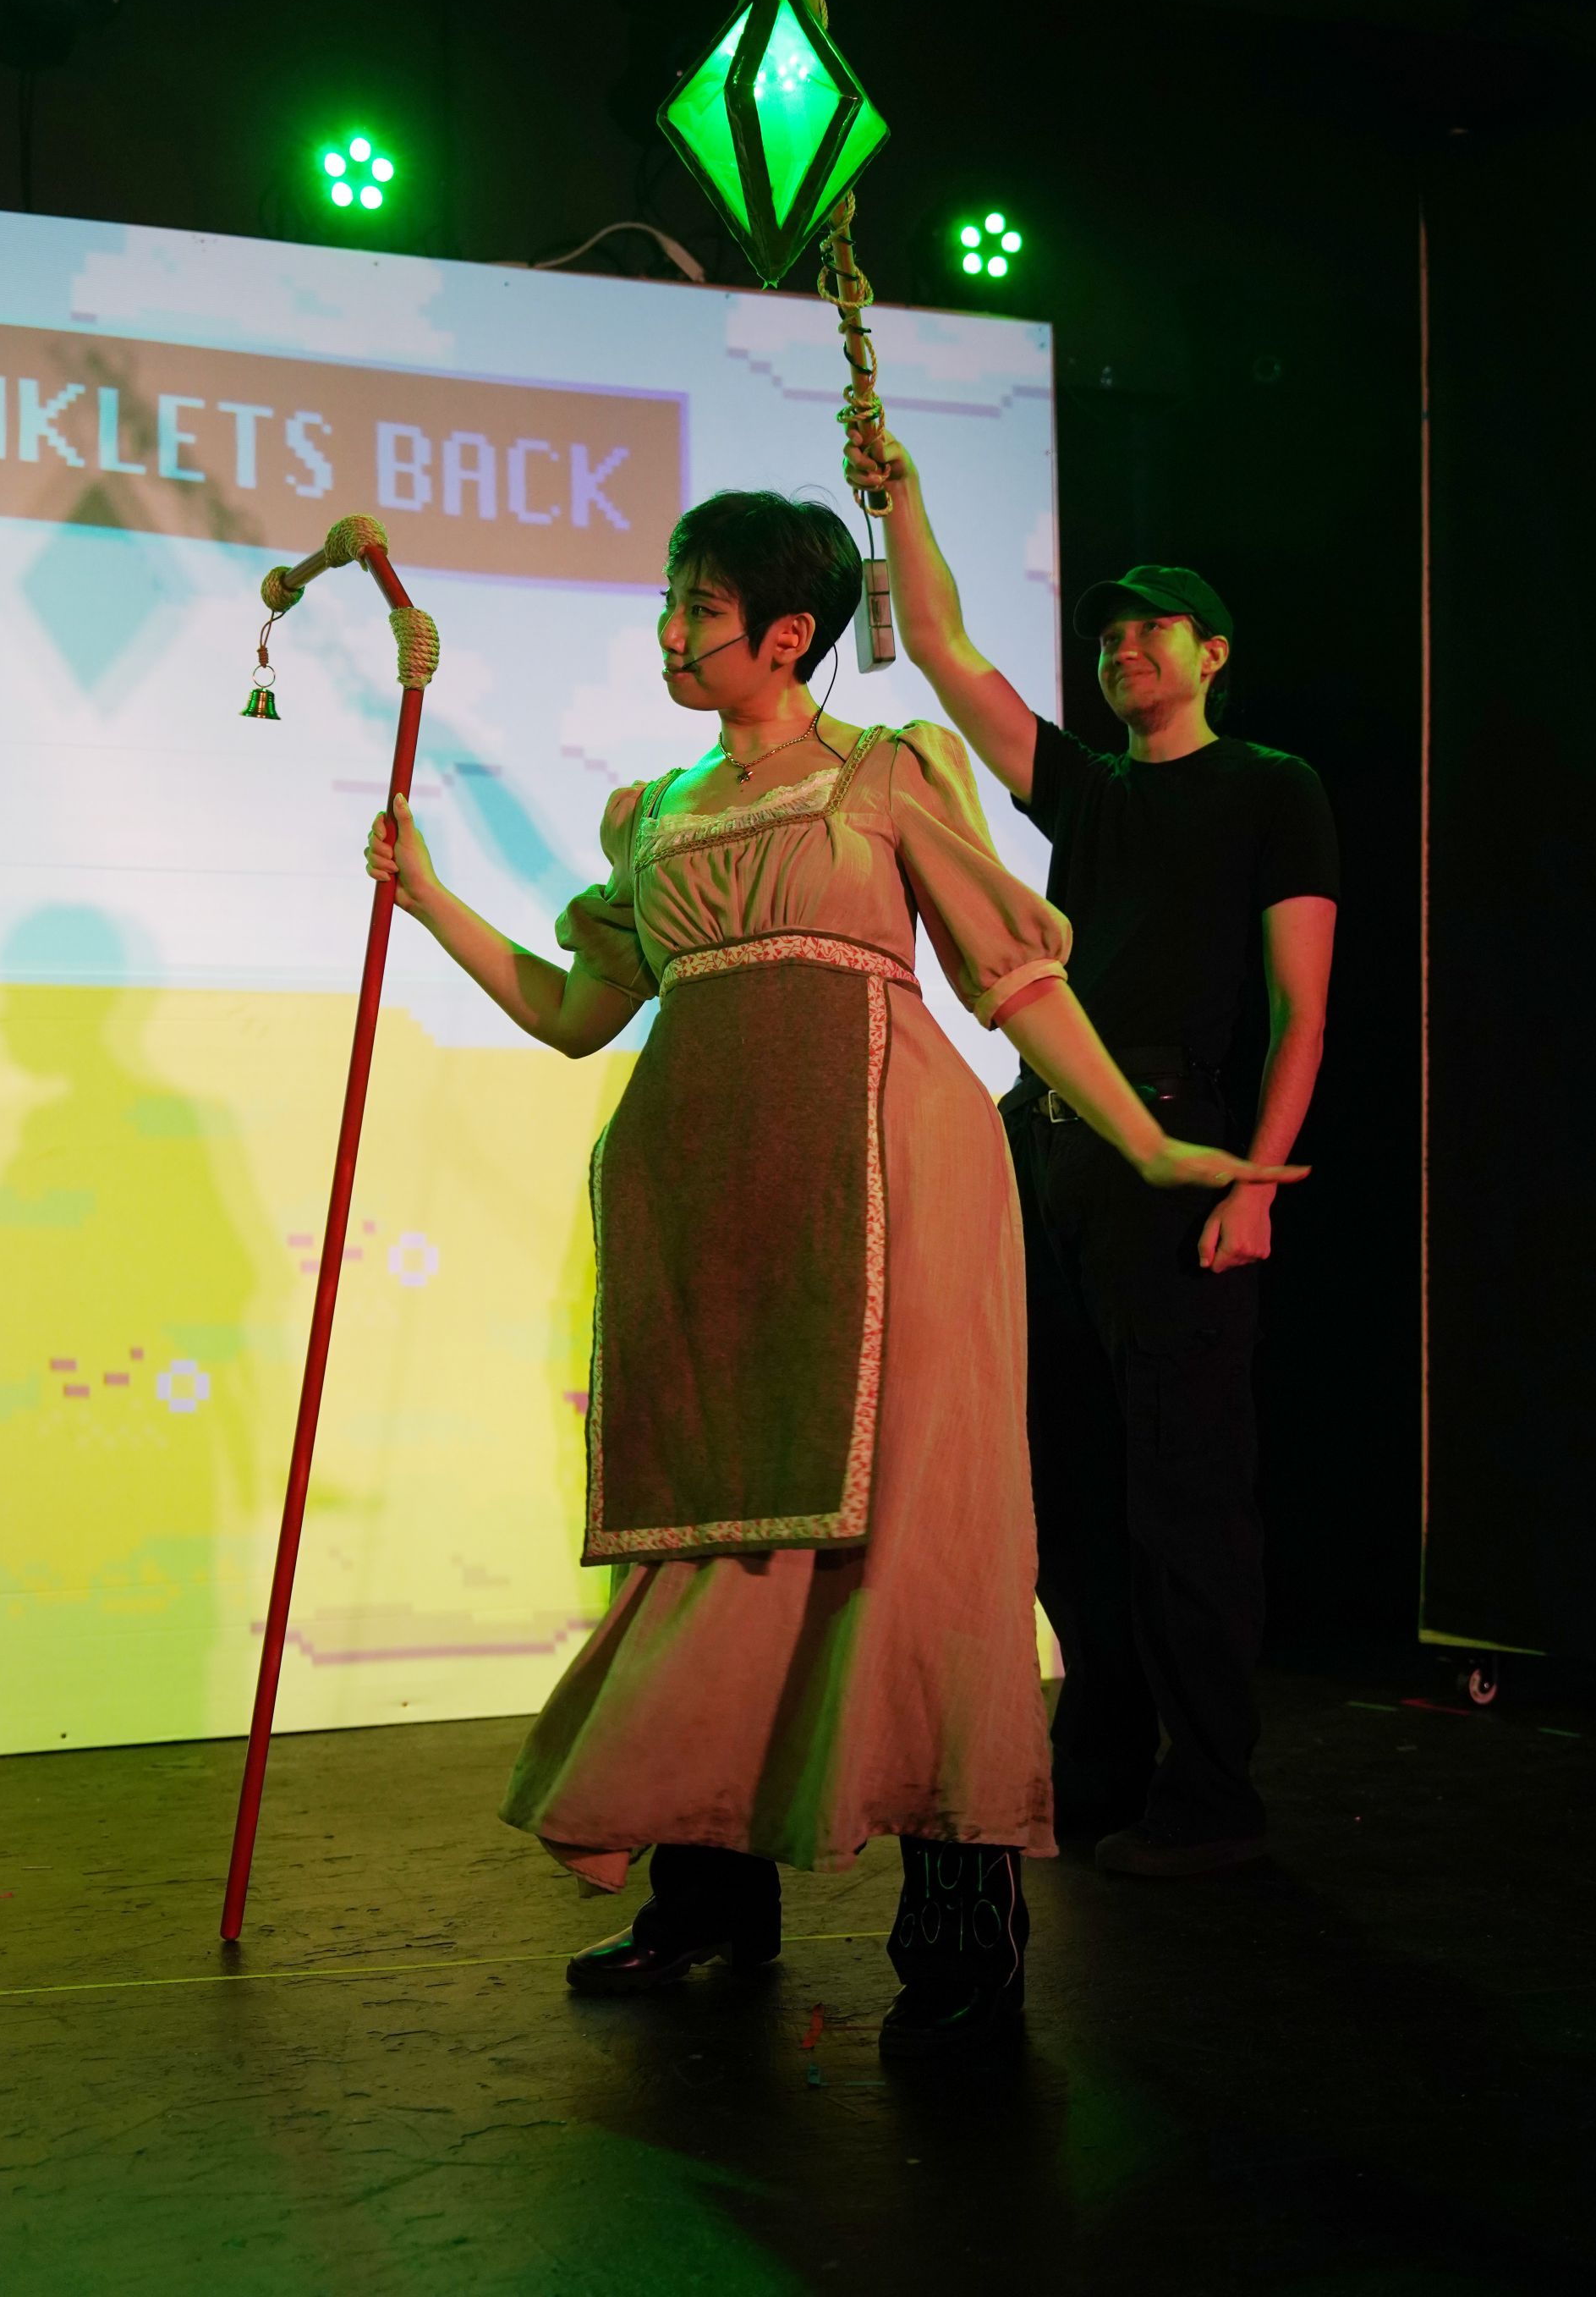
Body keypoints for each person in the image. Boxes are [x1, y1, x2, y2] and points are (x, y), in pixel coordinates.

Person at [365, 486, 1302, 2053]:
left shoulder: (886, 775)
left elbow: (1013, 978)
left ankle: (960, 1928)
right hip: (706, 1200)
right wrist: (428, 896)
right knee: (712, 1533)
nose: (672, 635)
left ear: (789, 633)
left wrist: (1144, 1144)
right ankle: (706, 1892)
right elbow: (574, 1013)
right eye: (671, 606)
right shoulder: (651, 816)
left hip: (889, 1181)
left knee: (914, 1536)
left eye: (700, 610)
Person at [847, 432, 1337, 1878]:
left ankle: (1213, 1790)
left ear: (1213, 653)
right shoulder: (1089, 790)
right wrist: (903, 495)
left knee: (1185, 1491)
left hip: (1180, 1150)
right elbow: (945, 651)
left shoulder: (1271, 786)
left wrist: (1254, 1183)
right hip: (1047, 1151)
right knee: (1064, 1481)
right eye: (1109, 638)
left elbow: (1301, 1010)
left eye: (1149, 632)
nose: (1122, 652)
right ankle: (1105, 1765)